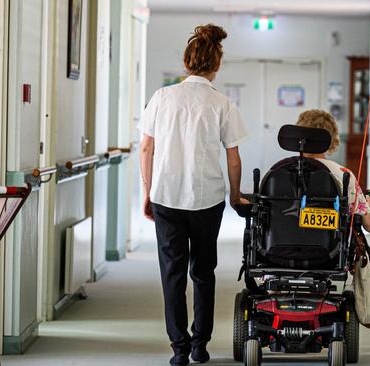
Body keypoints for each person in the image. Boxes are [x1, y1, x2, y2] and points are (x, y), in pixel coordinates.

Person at [138, 24, 248, 366]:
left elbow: (146, 148)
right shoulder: (222, 103)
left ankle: (179, 349)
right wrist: (235, 195)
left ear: (187, 63)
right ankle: (200, 344)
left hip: (166, 196)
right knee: (203, 271)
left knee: (172, 272)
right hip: (207, 199)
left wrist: (147, 191)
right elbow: (233, 155)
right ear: (216, 65)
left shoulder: (162, 97)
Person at [296, 109, 370, 232]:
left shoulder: (280, 171)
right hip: (328, 249)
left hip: (281, 249)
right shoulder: (343, 175)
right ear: (331, 139)